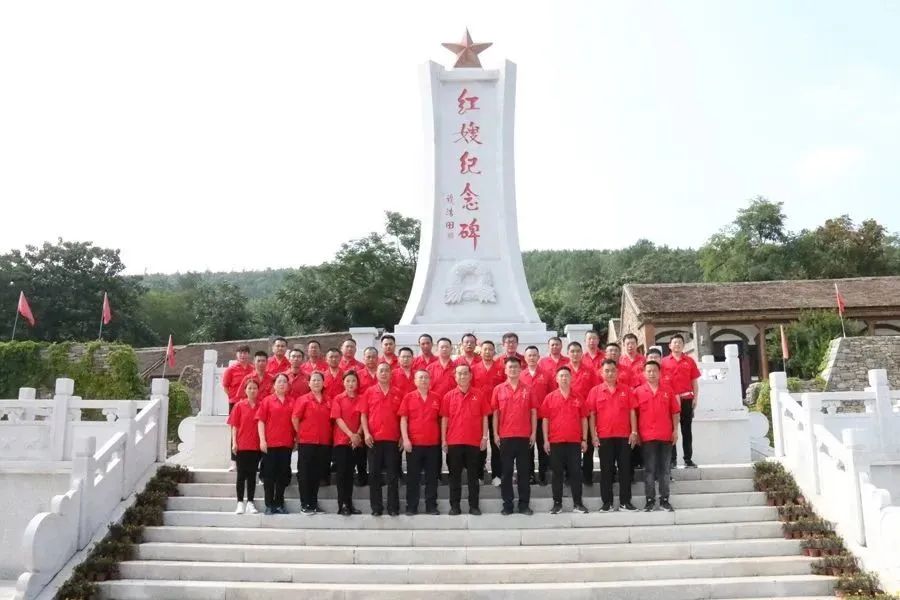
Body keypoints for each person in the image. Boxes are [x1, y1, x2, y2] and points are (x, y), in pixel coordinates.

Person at [588, 359, 639, 512]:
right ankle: (607, 503)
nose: (610, 373)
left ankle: (625, 502)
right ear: (601, 373)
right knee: (606, 471)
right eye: (607, 370)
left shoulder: (627, 390)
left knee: (625, 470)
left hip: (624, 437)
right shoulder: (595, 391)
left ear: (617, 372)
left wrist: (634, 432)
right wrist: (593, 435)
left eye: (612, 370)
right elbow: (592, 415)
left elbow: (632, 411)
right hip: (604, 437)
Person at [441, 364, 490, 515]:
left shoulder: (479, 395)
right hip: (454, 442)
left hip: (474, 442)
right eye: (459, 374)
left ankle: (474, 506)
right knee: (454, 477)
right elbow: (445, 419)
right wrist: (443, 440)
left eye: (465, 373)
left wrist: (484, 437)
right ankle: (455, 506)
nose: (462, 376)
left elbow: (485, 417)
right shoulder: (448, 396)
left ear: (470, 376)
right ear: (455, 377)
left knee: (473, 477)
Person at [491, 356, 537, 515]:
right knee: (506, 473)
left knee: (524, 473)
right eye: (510, 367)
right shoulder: (498, 389)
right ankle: (508, 505)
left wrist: (533, 433)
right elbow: (495, 414)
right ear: (505, 370)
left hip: (524, 436)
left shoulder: (528, 389)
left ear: (520, 369)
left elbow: (533, 412)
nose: (513, 370)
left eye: (516, 367)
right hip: (505, 437)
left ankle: (524, 505)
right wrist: (495, 433)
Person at [541, 366, 590, 514]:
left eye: (567, 375)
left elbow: (584, 419)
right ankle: (557, 504)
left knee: (576, 473)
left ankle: (578, 503)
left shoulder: (578, 397)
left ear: (571, 378)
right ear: (556, 379)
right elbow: (545, 420)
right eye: (561, 376)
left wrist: (584, 439)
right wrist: (546, 440)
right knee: (557, 474)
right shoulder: (550, 398)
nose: (564, 378)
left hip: (574, 442)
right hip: (556, 442)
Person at [635, 360, 680, 512]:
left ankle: (664, 500)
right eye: (649, 371)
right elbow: (634, 414)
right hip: (647, 437)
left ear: (660, 373)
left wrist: (675, 431)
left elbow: (675, 412)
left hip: (665, 435)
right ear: (644, 373)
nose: (652, 373)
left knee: (665, 470)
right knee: (649, 470)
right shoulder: (638, 392)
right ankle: (650, 500)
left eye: (654, 370)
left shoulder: (668, 390)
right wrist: (636, 432)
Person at [360, 363, 402, 516]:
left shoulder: (398, 392)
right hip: (374, 439)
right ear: (377, 374)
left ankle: (393, 507)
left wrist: (402, 436)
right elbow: (363, 415)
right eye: (381, 371)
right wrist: (366, 433)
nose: (384, 373)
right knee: (374, 475)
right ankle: (376, 508)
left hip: (393, 439)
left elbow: (403, 417)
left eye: (386, 371)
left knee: (392, 475)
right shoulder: (369, 392)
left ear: (391, 374)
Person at [399, 370, 442, 515]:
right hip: (414, 444)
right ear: (415, 381)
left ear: (430, 380)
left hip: (433, 444)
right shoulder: (408, 397)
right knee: (413, 477)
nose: (424, 380)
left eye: (426, 377)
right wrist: (405, 439)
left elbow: (442, 420)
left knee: (432, 477)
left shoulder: (437, 398)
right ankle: (411, 506)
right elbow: (403, 419)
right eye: (420, 377)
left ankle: (431, 506)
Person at [292, 372, 332, 514]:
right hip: (307, 442)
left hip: (323, 442)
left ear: (323, 383)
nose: (316, 382)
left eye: (319, 380)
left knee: (317, 474)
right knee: (305, 474)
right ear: (309, 384)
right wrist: (300, 434)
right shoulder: (303, 400)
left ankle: (313, 503)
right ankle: (305, 504)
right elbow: (295, 418)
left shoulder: (328, 400)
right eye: (313, 380)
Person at [256, 373, 294, 515]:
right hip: (270, 444)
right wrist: (262, 440)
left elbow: (296, 421)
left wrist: (296, 439)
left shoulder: (292, 401)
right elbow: (261, 421)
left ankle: (279, 503)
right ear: (274, 385)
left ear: (288, 385)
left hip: (286, 443)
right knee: (269, 476)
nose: (282, 384)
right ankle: (269, 504)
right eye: (279, 381)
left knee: (282, 475)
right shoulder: (267, 401)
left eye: (284, 381)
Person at [661, 334, 701, 468]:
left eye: (679, 342)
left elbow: (694, 381)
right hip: (670, 401)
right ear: (669, 345)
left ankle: (688, 459)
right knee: (671, 430)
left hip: (686, 399)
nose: (677, 344)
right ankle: (672, 459)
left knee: (686, 430)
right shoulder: (663, 362)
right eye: (674, 342)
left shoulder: (689, 361)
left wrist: (695, 398)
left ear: (683, 345)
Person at [472, 340, 504, 485]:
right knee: (480, 443)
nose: (487, 352)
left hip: (497, 411)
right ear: (481, 351)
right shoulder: (473, 369)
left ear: (494, 351)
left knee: (497, 443)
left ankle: (497, 475)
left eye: (490, 349)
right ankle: (479, 475)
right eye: (485, 349)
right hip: (479, 412)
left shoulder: (501, 368)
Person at [566, 342, 599, 486]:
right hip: (569, 413)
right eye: (572, 351)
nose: (575, 354)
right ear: (568, 353)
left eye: (578, 351)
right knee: (569, 446)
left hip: (586, 412)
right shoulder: (564, 370)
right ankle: (570, 476)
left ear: (582, 353)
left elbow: (595, 390)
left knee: (588, 446)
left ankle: (587, 476)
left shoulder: (589, 370)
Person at [331, 371, 363, 516]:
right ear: (343, 383)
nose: (351, 384)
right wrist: (351, 434)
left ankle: (349, 504)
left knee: (350, 474)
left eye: (353, 381)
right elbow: (338, 419)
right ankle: (342, 504)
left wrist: (358, 435)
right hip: (342, 441)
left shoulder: (361, 398)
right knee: (342, 474)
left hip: (356, 442)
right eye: (348, 381)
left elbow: (364, 418)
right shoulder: (338, 399)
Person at [227, 377, 261, 514]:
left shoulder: (261, 405)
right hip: (242, 445)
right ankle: (240, 502)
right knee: (241, 475)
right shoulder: (239, 406)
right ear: (245, 390)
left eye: (255, 388)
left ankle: (250, 502)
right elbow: (234, 426)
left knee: (252, 476)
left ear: (258, 390)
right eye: (249, 388)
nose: (252, 390)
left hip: (256, 446)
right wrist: (234, 443)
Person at [522, 345, 551, 485]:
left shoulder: (546, 375)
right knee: (527, 449)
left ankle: (543, 475)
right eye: (529, 355)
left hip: (542, 418)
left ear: (539, 357)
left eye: (534, 355)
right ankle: (530, 475)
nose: (532, 358)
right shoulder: (520, 375)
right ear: (525, 358)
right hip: (525, 419)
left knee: (543, 447)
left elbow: (552, 395)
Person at [222, 345, 254, 470]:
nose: (242, 355)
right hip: (235, 404)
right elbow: (226, 386)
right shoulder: (231, 370)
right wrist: (233, 397)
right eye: (240, 353)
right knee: (235, 431)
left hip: (250, 403)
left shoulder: (253, 369)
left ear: (249, 355)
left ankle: (251, 461)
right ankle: (234, 461)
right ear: (236, 355)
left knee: (251, 430)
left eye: (245, 353)